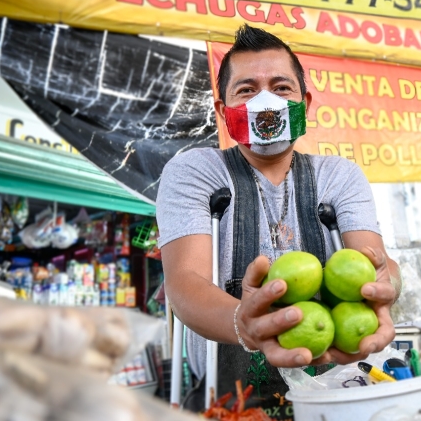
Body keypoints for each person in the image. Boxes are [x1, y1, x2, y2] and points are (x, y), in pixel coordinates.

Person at [156, 24, 402, 419]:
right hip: (231, 404)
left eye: (282, 88)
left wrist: (387, 283)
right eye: (247, 89)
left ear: (304, 102)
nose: (266, 100)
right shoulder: (193, 172)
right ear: (224, 110)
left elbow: (373, 261)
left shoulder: (339, 176)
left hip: (333, 395)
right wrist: (243, 321)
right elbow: (184, 284)